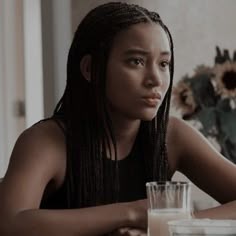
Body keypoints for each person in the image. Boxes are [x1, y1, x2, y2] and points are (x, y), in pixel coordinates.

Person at [0, 1, 236, 236]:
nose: (155, 79)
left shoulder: (171, 135)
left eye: (164, 63)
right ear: (90, 69)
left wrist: (177, 223)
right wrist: (132, 213)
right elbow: (11, 222)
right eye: (136, 61)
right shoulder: (46, 141)